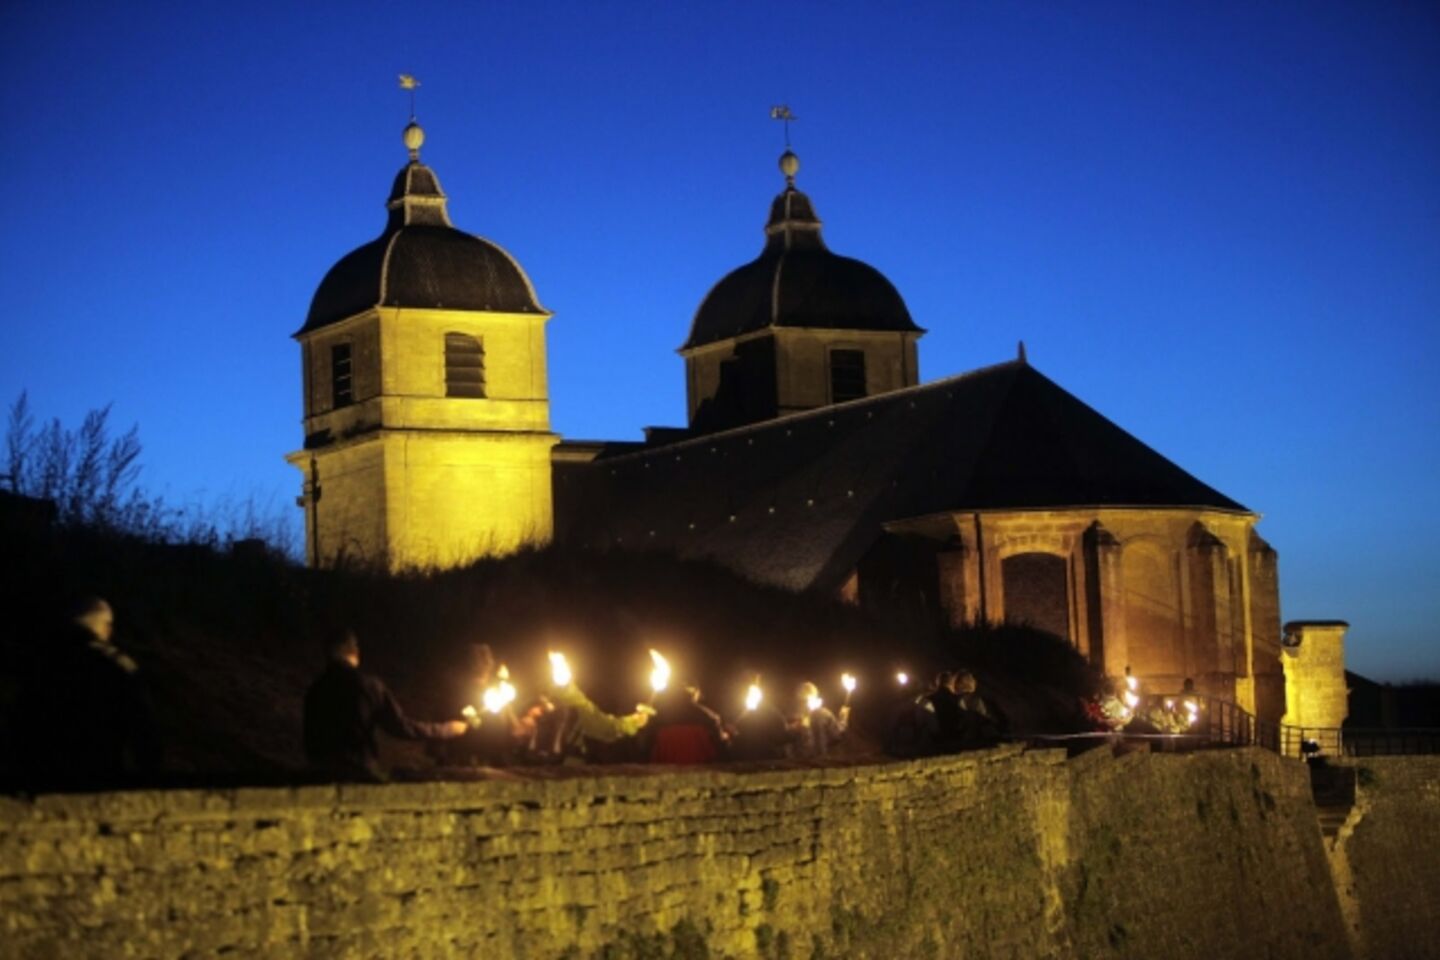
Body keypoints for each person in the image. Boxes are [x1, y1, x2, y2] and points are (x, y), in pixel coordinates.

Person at [17, 596, 160, 789]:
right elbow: (143, 721)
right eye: (109, 625)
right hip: (103, 768)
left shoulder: (43, 663)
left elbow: (22, 716)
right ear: (102, 625)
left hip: (45, 770)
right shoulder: (116, 664)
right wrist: (149, 772)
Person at [303, 628, 468, 781]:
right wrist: (446, 730)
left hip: (319, 772)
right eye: (356, 645)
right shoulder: (367, 685)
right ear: (352, 649)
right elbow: (401, 727)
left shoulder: (314, 690)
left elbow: (310, 738)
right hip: (358, 771)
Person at [643, 682, 727, 764]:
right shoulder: (710, 719)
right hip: (700, 772)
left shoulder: (657, 719)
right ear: (696, 694)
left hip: (667, 772)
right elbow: (720, 752)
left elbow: (648, 752)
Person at [788, 681, 848, 759]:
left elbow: (784, 739)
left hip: (796, 763)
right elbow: (836, 735)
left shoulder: (789, 716)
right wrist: (843, 719)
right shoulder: (824, 714)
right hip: (820, 761)